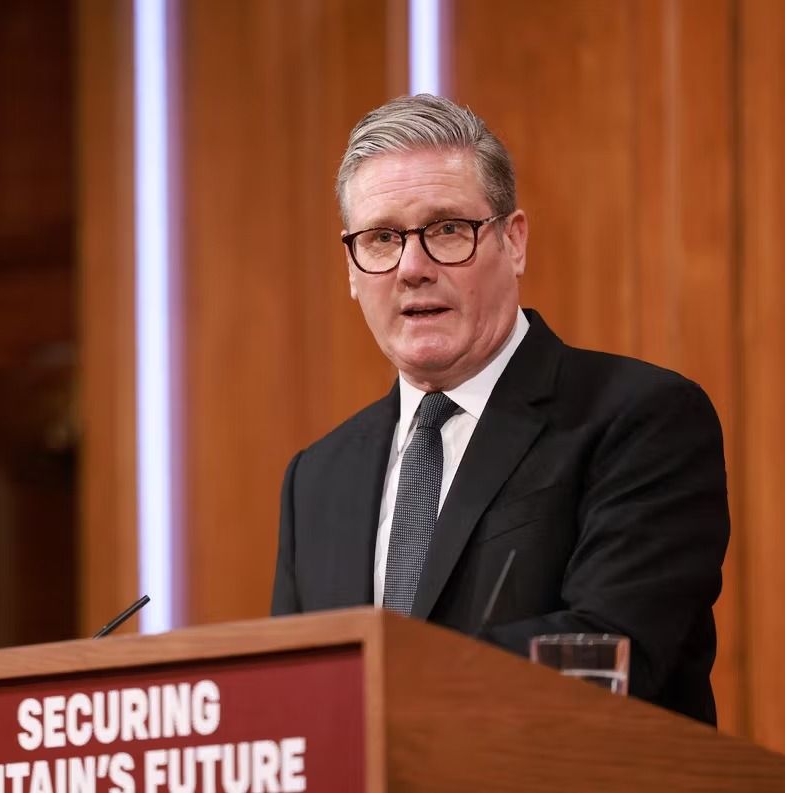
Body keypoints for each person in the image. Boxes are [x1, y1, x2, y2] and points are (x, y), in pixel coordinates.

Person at [270, 94, 730, 725]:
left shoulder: (640, 419)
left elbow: (613, 651)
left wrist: (378, 681)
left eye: (447, 230)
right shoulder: (317, 479)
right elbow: (291, 703)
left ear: (513, 242)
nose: (412, 268)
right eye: (381, 239)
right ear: (351, 269)